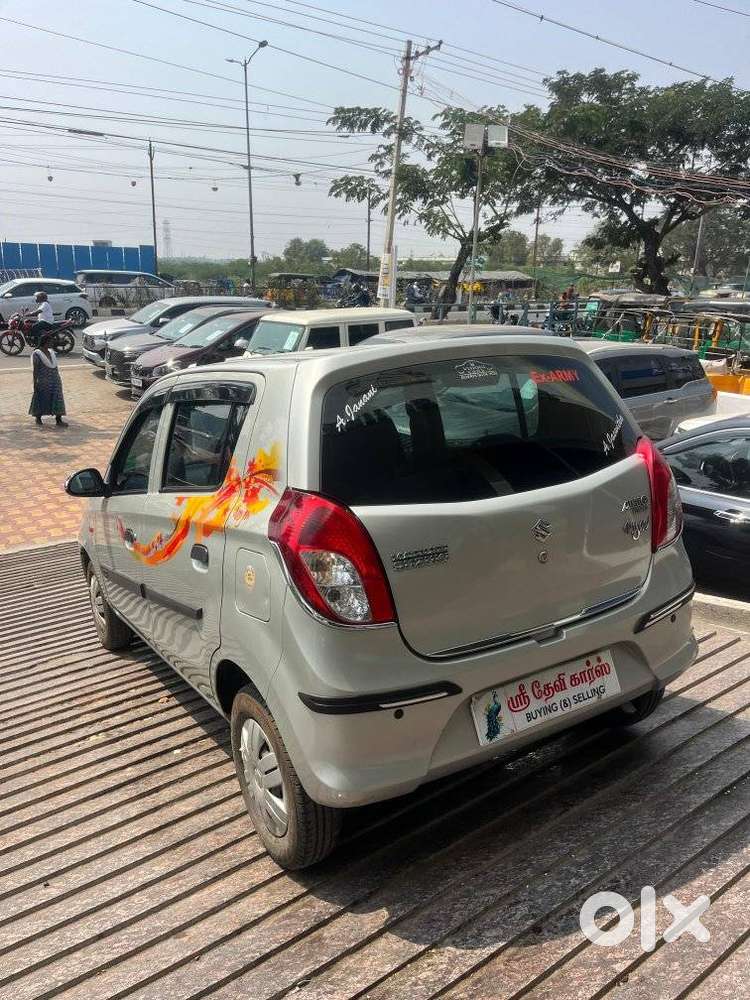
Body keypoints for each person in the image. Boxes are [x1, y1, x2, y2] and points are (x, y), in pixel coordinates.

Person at [29, 329, 67, 428]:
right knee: (41, 398)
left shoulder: (51, 352)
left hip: (55, 380)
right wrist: (35, 383)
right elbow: (35, 370)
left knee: (58, 398)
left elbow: (55, 367)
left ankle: (58, 419)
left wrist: (58, 379)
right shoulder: (37, 354)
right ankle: (38, 418)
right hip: (43, 381)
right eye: (50, 341)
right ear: (45, 343)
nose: (52, 343)